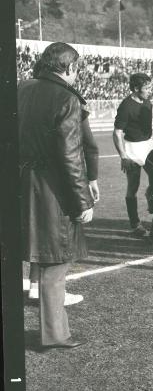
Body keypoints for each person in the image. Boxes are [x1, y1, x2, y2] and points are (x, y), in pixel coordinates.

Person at [19, 42, 94, 350]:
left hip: (17, 183)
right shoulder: (66, 98)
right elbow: (70, 157)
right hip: (50, 189)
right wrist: (82, 202)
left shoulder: (19, 88)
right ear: (68, 68)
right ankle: (55, 334)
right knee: (55, 262)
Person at [26, 104, 100, 306]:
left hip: (26, 175)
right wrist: (90, 184)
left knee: (40, 230)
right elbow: (85, 148)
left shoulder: (25, 90)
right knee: (58, 236)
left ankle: (34, 285)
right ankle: (52, 296)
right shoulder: (68, 99)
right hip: (56, 179)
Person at [113, 72, 153, 238]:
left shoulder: (147, 102)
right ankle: (135, 224)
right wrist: (123, 156)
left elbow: (147, 129)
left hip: (148, 146)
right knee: (133, 186)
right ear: (136, 88)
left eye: (150, 87)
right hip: (132, 149)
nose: (150, 91)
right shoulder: (126, 106)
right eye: (147, 88)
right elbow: (117, 133)